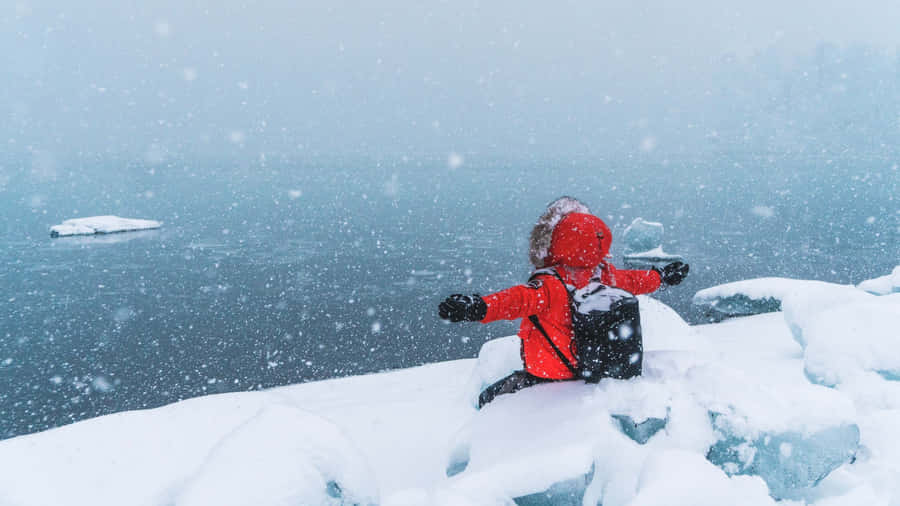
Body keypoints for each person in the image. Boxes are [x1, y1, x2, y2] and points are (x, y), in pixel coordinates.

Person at [438, 197, 689, 408]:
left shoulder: (550, 285)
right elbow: (636, 280)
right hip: (594, 368)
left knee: (485, 401)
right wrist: (662, 276)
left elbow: (513, 301)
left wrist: (476, 307)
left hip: (551, 377)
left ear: (559, 242)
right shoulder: (606, 275)